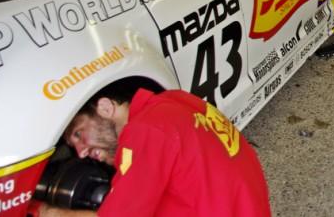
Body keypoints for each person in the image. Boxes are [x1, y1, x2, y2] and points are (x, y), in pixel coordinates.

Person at [36, 85, 271, 216]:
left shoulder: (146, 132)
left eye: (79, 134)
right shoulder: (175, 100)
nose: (81, 152)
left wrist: (46, 212)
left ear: (106, 108)